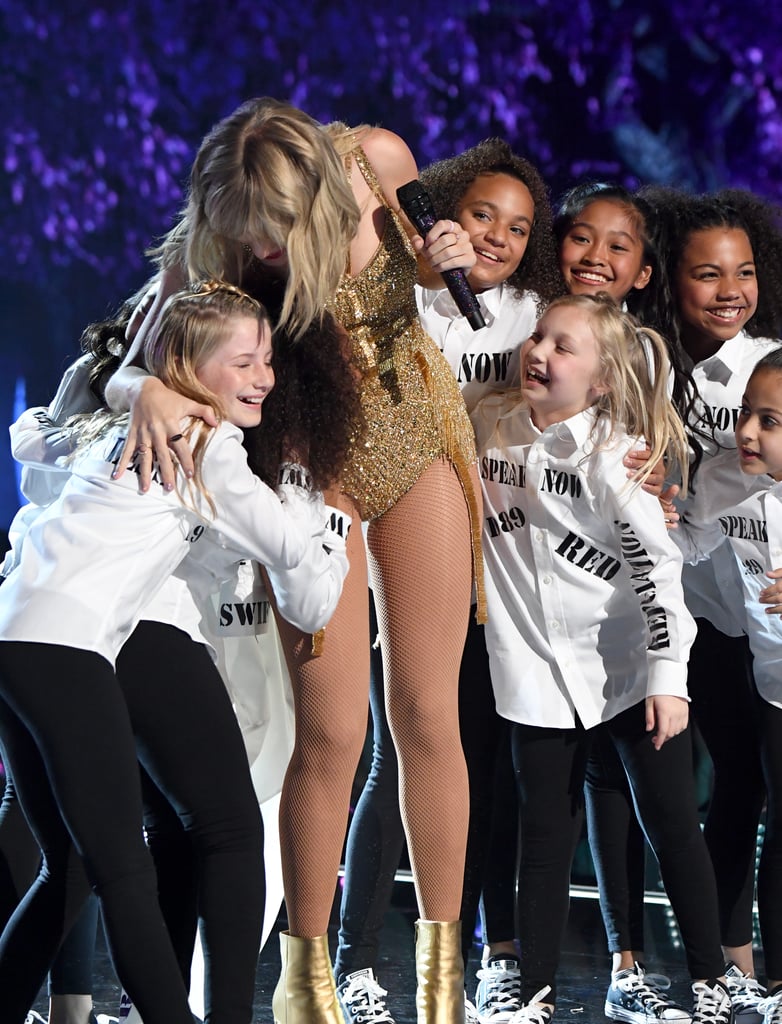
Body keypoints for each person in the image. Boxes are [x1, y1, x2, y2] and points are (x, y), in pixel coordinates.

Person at [105, 97, 484, 1024]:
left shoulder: (378, 163)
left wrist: (448, 270)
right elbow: (117, 355)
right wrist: (146, 384)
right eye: (246, 240)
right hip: (311, 474)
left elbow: (441, 285)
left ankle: (442, 993)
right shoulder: (213, 247)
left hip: (411, 434)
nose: (264, 257)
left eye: (277, 236)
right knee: (331, 736)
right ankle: (304, 989)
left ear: (316, 188)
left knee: (429, 714)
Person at [0, 282, 350, 1024]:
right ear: (188, 364)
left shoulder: (114, 422)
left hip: (17, 643)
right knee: (121, 867)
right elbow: (290, 550)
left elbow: (32, 440)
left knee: (68, 862)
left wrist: (124, 388)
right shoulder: (208, 439)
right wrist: (321, 512)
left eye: (268, 361)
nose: (265, 377)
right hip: (66, 649)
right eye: (246, 362)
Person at [334, 137, 564, 1024]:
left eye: (518, 226)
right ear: (433, 212)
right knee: (390, 743)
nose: (497, 238)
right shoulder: (398, 286)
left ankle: (482, 958)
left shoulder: (534, 314)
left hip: (500, 562)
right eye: (480, 217)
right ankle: (355, 961)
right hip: (393, 527)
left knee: (478, 754)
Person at [471, 292, 731, 1024]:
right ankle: (537, 993)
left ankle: (710, 983)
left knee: (671, 823)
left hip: (625, 670)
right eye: (539, 337)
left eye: (563, 347)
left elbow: (658, 572)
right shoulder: (488, 428)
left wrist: (667, 678)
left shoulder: (616, 457)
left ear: (603, 380)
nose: (540, 352)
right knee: (543, 834)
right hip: (533, 672)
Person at [553, 181, 699, 1023]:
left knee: (634, 785)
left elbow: (657, 464)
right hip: (527, 607)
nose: (597, 258)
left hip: (625, 609)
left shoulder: (643, 353)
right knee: (540, 801)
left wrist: (662, 492)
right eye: (582, 238)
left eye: (619, 247)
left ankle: (669, 965)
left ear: (644, 271)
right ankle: (530, 957)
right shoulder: (535, 333)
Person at [636, 186, 782, 1018]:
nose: (731, 289)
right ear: (670, 281)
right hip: (687, 615)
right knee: (720, 790)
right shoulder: (645, 364)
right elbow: (687, 524)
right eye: (707, 274)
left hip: (751, 624)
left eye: (746, 271)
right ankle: (728, 963)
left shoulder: (765, 369)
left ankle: (748, 966)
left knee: (748, 788)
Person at [674, 345, 782, 1024]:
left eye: (769, 421)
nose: (746, 431)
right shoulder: (720, 479)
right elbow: (680, 546)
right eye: (746, 414)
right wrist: (646, 504)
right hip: (772, 681)